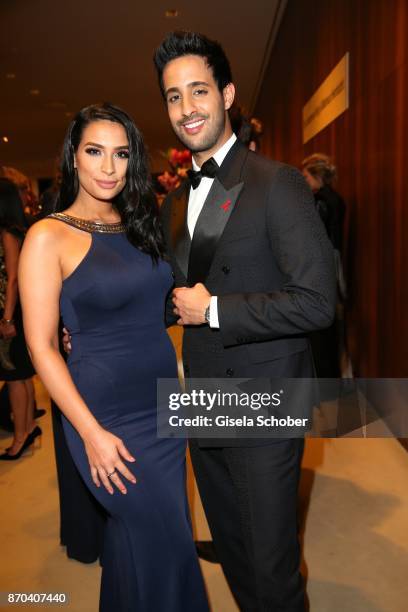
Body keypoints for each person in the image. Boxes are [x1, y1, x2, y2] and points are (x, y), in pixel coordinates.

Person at [154, 31, 336, 611]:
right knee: (233, 547)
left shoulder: (277, 182)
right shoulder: (175, 202)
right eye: (173, 96)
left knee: (270, 564)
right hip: (203, 392)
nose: (187, 108)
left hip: (265, 396)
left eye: (199, 91)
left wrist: (212, 310)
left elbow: (316, 301)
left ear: (228, 94)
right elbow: (173, 291)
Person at [18, 103, 208, 612]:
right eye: (95, 152)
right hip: (104, 416)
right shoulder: (47, 235)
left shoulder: (138, 223)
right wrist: (90, 433)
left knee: (137, 544)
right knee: (166, 543)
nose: (108, 167)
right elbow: (39, 346)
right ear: (72, 157)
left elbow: (151, 306)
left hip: (164, 404)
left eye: (121, 154)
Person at [0, 178, 39, 460]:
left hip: (11, 312)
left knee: (14, 376)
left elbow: (12, 279)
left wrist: (7, 318)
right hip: (19, 310)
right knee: (22, 375)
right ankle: (29, 427)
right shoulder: (18, 230)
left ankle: (21, 435)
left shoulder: (7, 233)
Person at [302, 153, 346, 377]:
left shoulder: (319, 202)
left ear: (317, 176)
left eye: (307, 177)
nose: (305, 182)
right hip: (335, 263)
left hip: (322, 265)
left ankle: (324, 376)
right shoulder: (337, 199)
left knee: (320, 326)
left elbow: (314, 237)